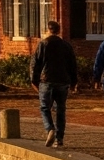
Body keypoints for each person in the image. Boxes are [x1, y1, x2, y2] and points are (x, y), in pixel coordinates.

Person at [31, 20, 79, 148]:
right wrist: (74, 81)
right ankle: (59, 139)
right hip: (63, 81)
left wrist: (34, 80)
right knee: (61, 110)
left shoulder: (43, 44)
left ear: (48, 30)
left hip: (46, 80)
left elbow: (35, 64)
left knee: (45, 107)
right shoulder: (66, 46)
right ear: (59, 31)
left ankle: (50, 128)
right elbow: (72, 65)